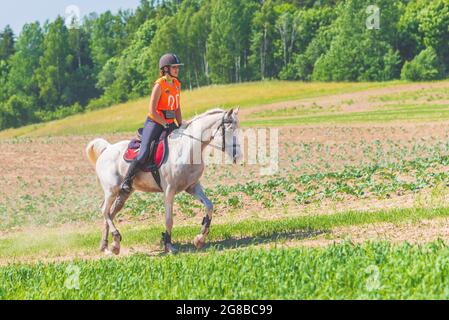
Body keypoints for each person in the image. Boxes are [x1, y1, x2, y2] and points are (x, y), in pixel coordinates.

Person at [120, 53, 184, 194]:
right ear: (166, 69)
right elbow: (152, 110)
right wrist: (164, 124)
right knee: (143, 154)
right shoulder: (159, 85)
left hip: (169, 122)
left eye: (177, 67)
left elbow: (177, 108)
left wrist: (180, 125)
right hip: (155, 122)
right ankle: (127, 180)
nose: (177, 70)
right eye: (174, 67)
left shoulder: (177, 84)